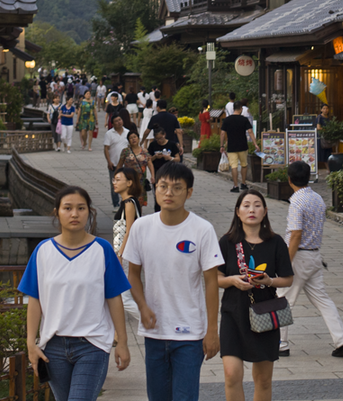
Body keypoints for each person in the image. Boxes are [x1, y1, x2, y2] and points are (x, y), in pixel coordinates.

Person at [18, 186, 130, 401]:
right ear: (57, 212)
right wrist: (31, 344)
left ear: (89, 212)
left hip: (92, 345)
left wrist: (122, 342)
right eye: (67, 208)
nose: (74, 214)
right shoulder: (43, 251)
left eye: (81, 208)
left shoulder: (102, 249)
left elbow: (114, 298)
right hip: (54, 348)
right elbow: (35, 300)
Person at [122, 163, 222, 401]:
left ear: (189, 192)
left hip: (190, 334)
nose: (169, 193)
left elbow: (211, 282)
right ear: (155, 189)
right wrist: (142, 306)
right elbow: (133, 274)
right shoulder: (141, 227)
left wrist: (212, 330)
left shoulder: (202, 230)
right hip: (155, 333)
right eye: (163, 186)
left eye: (177, 188)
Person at [217, 190, 294, 401]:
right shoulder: (227, 242)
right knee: (232, 374)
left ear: (265, 211)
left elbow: (287, 279)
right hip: (233, 314)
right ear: (238, 212)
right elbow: (215, 277)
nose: (252, 209)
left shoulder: (276, 242)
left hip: (265, 316)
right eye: (246, 205)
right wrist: (232, 280)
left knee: (263, 379)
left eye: (257, 205)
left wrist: (269, 281)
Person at [276, 161, 343, 358]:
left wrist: (286, 262)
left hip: (298, 255)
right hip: (314, 255)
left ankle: (281, 344)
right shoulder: (318, 198)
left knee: (283, 299)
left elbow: (295, 235)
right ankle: (341, 340)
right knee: (323, 300)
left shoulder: (296, 201)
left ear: (289, 179)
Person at [113, 168, 144, 318]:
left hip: (125, 253)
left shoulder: (129, 203)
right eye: (114, 179)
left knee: (124, 298)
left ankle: (150, 322)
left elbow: (129, 231)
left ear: (130, 182)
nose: (114, 183)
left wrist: (120, 254)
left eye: (118, 180)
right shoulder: (127, 202)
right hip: (124, 252)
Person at [220, 102, 257, 193]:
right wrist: (255, 143)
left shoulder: (227, 120)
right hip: (243, 145)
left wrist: (222, 145)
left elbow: (222, 133)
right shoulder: (244, 119)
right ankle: (243, 183)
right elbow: (250, 131)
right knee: (244, 165)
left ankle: (235, 186)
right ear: (241, 109)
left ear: (233, 109)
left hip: (232, 146)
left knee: (234, 166)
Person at [117, 130, 155, 210]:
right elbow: (119, 165)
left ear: (138, 139)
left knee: (139, 203)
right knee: (129, 201)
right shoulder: (125, 152)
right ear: (128, 140)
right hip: (129, 181)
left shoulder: (144, 152)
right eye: (131, 138)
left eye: (135, 137)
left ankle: (138, 219)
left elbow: (150, 164)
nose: (133, 139)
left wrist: (153, 176)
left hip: (141, 181)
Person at [105, 115, 131, 210]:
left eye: (120, 119)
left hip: (126, 164)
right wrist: (109, 161)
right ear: (113, 123)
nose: (119, 122)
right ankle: (116, 204)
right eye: (116, 121)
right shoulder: (109, 133)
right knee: (114, 184)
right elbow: (106, 148)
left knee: (127, 184)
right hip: (114, 163)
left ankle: (125, 202)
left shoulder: (127, 132)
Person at [315, 104, 333, 169]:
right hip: (321, 138)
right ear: (321, 110)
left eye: (327, 108)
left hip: (327, 138)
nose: (325, 110)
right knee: (319, 154)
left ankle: (328, 169)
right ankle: (316, 170)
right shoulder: (319, 117)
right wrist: (327, 129)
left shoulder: (328, 117)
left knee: (327, 154)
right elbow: (318, 127)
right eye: (324, 108)